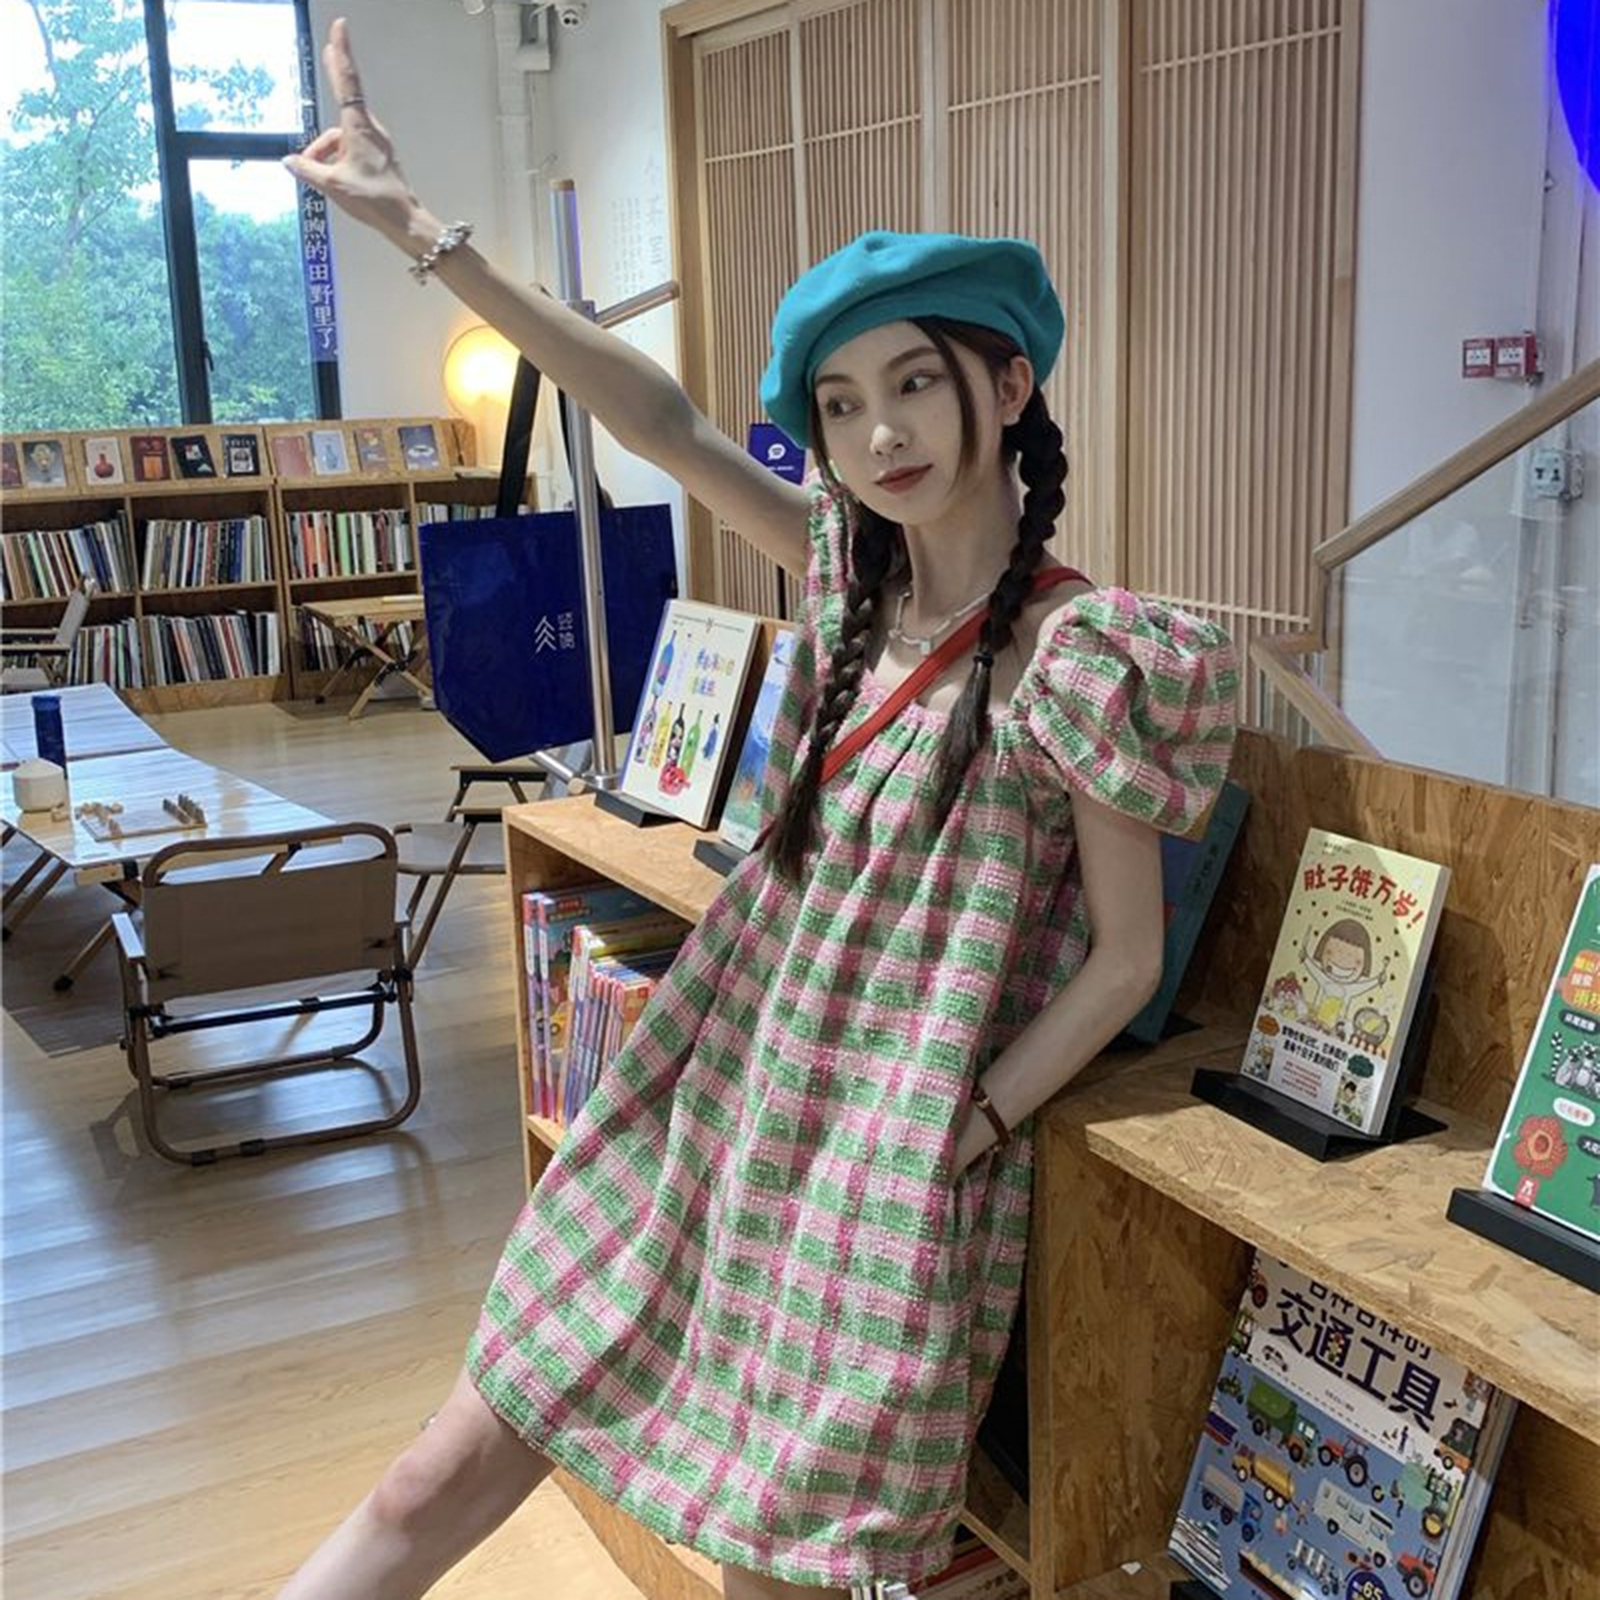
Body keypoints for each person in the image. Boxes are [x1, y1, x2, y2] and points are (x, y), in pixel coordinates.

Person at [278, 20, 1239, 1600]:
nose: (881, 435)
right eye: (844, 405)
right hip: (720, 1077)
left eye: (915, 383)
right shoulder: (845, 584)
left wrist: (968, 1124)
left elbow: (1125, 960)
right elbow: (655, 420)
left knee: (775, 1562)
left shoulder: (1087, 655)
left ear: (1008, 382)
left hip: (890, 1156)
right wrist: (423, 232)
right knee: (435, 1468)